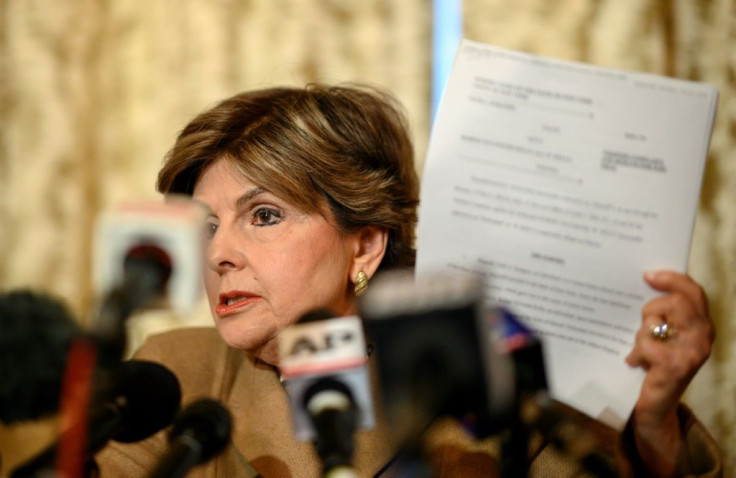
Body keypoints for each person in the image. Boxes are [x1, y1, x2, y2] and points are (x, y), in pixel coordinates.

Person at [95, 84, 721, 477]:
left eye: (263, 215)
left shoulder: (484, 379)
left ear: (364, 244)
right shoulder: (173, 374)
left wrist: (655, 427)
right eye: (205, 227)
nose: (219, 253)